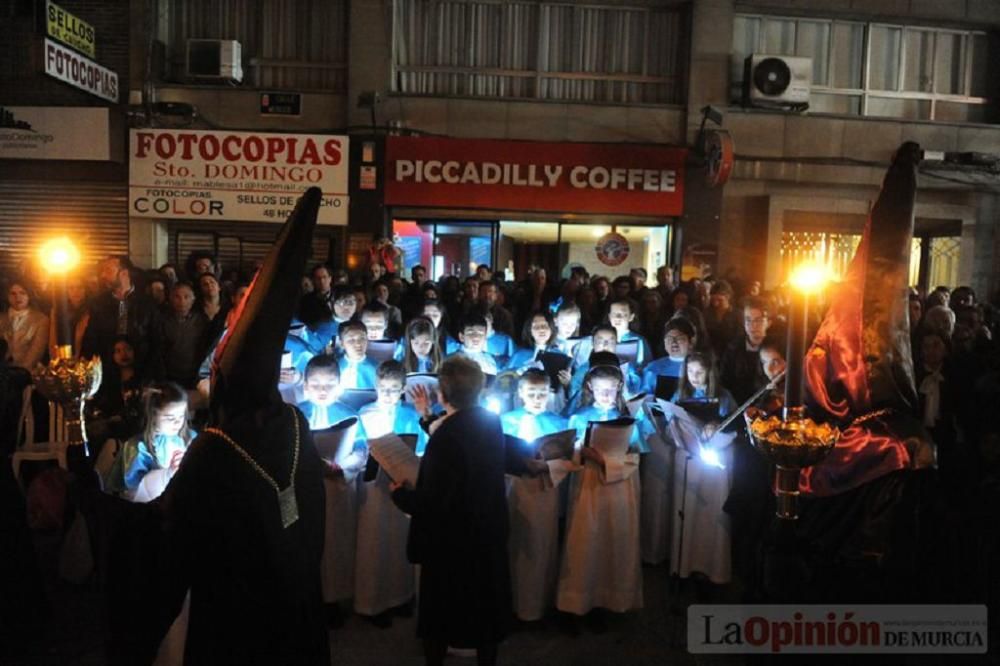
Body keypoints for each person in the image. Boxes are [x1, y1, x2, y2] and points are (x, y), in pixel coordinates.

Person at [107, 189, 329, 666]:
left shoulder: (217, 447)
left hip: (236, 621)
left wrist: (105, 504)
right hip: (294, 606)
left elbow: (169, 545)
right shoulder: (293, 421)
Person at [391, 355, 511, 666]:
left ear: (442, 394)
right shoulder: (489, 422)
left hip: (451, 543)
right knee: (486, 615)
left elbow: (433, 501)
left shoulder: (445, 439)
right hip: (486, 533)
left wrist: (401, 496)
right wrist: (426, 417)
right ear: (480, 391)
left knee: (440, 618)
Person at [558, 362, 643, 628]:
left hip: (619, 489)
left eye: (610, 390)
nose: (605, 395)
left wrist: (606, 459)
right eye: (600, 389)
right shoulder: (578, 418)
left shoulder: (628, 419)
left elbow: (635, 455)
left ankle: (607, 602)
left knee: (612, 542)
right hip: (587, 485)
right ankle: (576, 604)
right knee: (583, 541)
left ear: (619, 389)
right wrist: (581, 452)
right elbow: (569, 453)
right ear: (589, 387)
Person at [354, 361, 427, 626]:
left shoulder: (410, 414)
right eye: (384, 388)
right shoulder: (365, 412)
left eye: (394, 389)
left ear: (403, 389)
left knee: (400, 543)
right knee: (376, 544)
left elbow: (423, 445)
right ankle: (374, 603)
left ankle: (401, 597)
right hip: (375, 487)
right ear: (376, 386)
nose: (388, 394)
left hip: (405, 483)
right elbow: (358, 445)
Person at [500, 369, 573, 622]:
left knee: (542, 545)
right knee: (514, 546)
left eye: (542, 393)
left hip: (545, 491)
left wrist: (546, 466)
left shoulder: (559, 424)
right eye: (531, 393)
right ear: (520, 393)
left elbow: (568, 461)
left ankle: (539, 606)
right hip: (513, 490)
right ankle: (511, 605)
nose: (537, 398)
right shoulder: (505, 421)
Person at [297, 354, 366, 620]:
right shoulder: (296, 413)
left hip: (337, 487)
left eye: (329, 384)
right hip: (306, 488)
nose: (323, 390)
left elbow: (361, 450)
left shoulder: (350, 415)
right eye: (316, 384)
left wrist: (341, 468)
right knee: (307, 544)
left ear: (339, 385)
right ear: (305, 385)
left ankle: (334, 599)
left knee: (336, 544)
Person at [669, 352, 737, 588]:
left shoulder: (724, 397)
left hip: (713, 464)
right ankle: (684, 567)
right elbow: (671, 426)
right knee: (687, 513)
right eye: (690, 371)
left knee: (711, 515)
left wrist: (717, 425)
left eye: (699, 372)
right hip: (689, 460)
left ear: (710, 372)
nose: (694, 377)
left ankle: (710, 569)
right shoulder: (680, 395)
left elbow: (734, 427)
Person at [103, 382, 195, 501]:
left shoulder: (189, 438)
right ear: (153, 416)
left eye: (181, 416)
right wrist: (168, 473)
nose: (177, 423)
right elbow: (135, 493)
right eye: (170, 418)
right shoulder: (138, 448)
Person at [83, 255, 163, 380]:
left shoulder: (147, 303)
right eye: (102, 271)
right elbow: (91, 340)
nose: (103, 276)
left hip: (142, 371)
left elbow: (157, 341)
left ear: (124, 273)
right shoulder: (98, 303)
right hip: (107, 373)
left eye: (108, 271)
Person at [720, 296, 772, 404]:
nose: (752, 326)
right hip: (738, 406)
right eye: (748, 320)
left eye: (758, 321)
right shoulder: (733, 348)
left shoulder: (775, 350)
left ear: (769, 322)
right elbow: (725, 381)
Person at [159, 282, 209, 389]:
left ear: (193, 299)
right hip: (170, 374)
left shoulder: (201, 320)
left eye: (186, 297)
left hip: (195, 373)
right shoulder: (163, 320)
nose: (182, 301)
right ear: (171, 299)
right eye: (177, 297)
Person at [642, 318, 696, 400]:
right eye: (669, 339)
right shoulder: (653, 368)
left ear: (691, 342)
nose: (674, 343)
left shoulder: (699, 368)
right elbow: (644, 398)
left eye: (679, 338)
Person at [0, 280, 49, 370]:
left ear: (29, 295)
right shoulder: (2, 318)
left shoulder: (40, 319)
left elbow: (37, 350)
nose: (18, 297)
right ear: (7, 296)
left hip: (28, 371)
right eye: (13, 293)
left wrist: (22, 370)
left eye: (22, 293)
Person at [607, 298, 652, 369]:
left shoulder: (639, 340)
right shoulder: (601, 339)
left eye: (623, 314)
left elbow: (646, 367)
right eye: (614, 314)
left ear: (631, 317)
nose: (618, 318)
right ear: (609, 317)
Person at [337, 321, 378, 390]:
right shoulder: (335, 366)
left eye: (362, 338)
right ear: (341, 344)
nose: (358, 344)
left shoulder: (377, 367)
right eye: (351, 340)